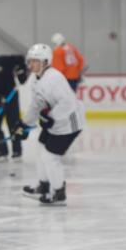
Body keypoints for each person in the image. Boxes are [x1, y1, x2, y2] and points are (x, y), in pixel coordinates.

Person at [16, 43, 85, 206]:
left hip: (70, 122)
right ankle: (44, 184)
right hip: (56, 122)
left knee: (50, 157)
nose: (30, 64)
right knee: (40, 148)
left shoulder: (54, 77)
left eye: (35, 61)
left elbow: (68, 103)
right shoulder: (35, 79)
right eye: (30, 61)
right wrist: (24, 124)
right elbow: (36, 104)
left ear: (45, 62)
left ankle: (58, 192)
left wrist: (51, 117)